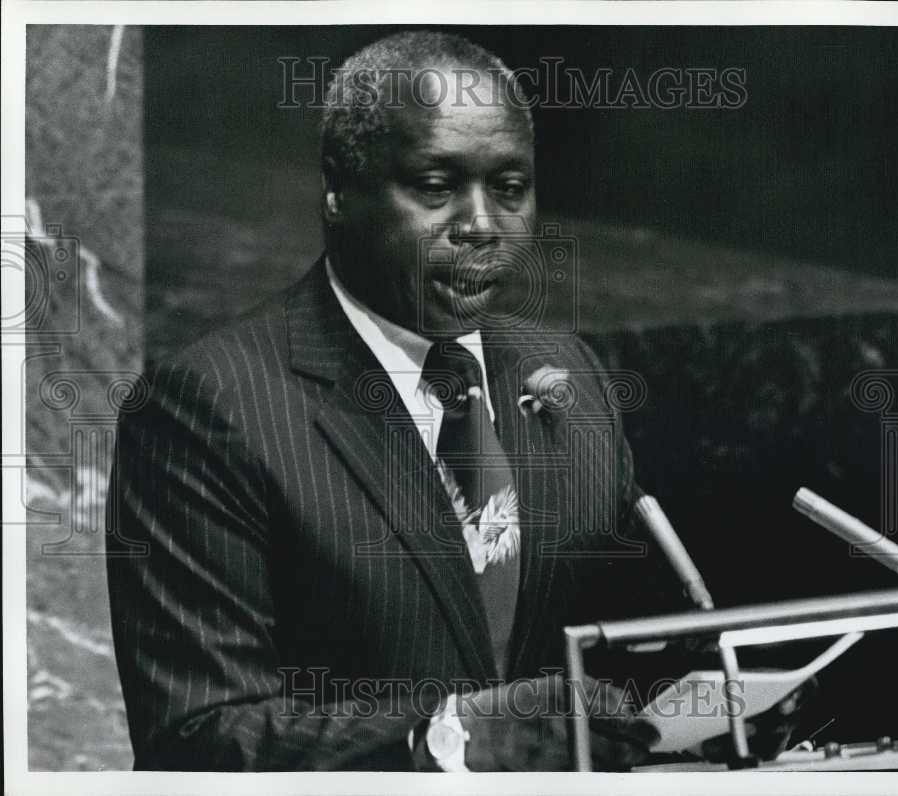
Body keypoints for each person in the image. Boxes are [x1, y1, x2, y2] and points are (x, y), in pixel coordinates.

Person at [106, 30, 663, 771]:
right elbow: (195, 737)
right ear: (338, 189)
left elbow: (625, 646)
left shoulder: (565, 372)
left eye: (509, 188)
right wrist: (446, 741)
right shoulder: (206, 408)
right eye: (435, 188)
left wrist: (722, 692)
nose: (480, 226)